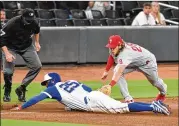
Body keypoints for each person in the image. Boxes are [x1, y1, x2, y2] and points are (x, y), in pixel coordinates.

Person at [11, 72, 170, 116]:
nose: (45, 85)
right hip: (93, 96)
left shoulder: (53, 89)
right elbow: (86, 90)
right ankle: (153, 105)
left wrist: (22, 107)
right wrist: (72, 106)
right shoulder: (72, 81)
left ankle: (152, 106)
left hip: (92, 102)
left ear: (51, 81)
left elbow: (37, 98)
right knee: (121, 106)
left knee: (121, 108)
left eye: (46, 82)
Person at [101, 35, 167, 103]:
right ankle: (128, 99)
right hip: (132, 62)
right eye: (110, 47)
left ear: (119, 45)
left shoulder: (125, 53)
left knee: (155, 82)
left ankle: (163, 92)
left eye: (113, 47)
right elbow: (112, 56)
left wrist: (110, 85)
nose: (111, 49)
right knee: (116, 69)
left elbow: (119, 71)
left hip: (147, 63)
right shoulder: (116, 48)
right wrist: (106, 71)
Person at [1, 8, 42, 102]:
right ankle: (7, 91)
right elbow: (1, 39)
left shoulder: (34, 22)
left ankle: (22, 88)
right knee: (8, 72)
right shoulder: (12, 24)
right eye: (27, 19)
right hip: (10, 47)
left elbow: (37, 31)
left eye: (30, 20)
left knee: (37, 66)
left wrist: (37, 42)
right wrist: (7, 54)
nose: (29, 22)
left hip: (26, 46)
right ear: (22, 17)